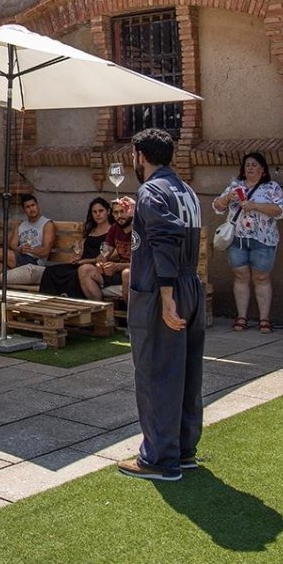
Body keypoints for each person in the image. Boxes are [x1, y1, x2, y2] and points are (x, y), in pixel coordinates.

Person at [116, 127, 206, 482]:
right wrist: (139, 211)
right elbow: (172, 228)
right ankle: (183, 451)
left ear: (140, 156)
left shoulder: (152, 189)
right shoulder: (185, 190)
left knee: (157, 372)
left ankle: (159, 458)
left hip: (160, 290)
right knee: (185, 373)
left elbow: (165, 239)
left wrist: (167, 299)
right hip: (190, 284)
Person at [211, 152, 283, 333]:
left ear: (262, 169)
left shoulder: (271, 187)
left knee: (261, 277)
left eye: (254, 165)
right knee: (240, 276)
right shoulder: (235, 186)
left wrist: (255, 206)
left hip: (263, 239)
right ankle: (241, 317)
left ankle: (264, 319)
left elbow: (280, 210)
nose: (250, 168)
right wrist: (227, 198)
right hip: (238, 239)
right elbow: (217, 207)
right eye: (247, 165)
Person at [39, 197, 113, 298]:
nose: (98, 214)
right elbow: (81, 250)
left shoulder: (112, 231)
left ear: (108, 211)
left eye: (101, 211)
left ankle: (72, 302)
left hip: (94, 266)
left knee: (75, 274)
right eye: (94, 212)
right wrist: (77, 257)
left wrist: (83, 261)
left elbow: (103, 257)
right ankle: (49, 301)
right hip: (81, 263)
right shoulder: (91, 230)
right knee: (50, 271)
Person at [77, 199, 133, 301]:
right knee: (84, 269)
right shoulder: (114, 229)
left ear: (130, 212)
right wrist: (100, 264)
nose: (119, 216)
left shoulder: (139, 230)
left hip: (137, 272)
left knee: (126, 273)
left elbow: (144, 264)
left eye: (122, 211)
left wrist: (118, 266)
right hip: (119, 271)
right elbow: (104, 254)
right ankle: (98, 310)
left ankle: (132, 316)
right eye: (116, 212)